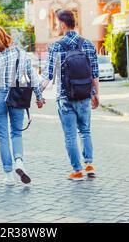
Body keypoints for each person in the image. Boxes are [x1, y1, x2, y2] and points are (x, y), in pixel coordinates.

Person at [0, 25, 44, 186]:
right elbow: (33, 77)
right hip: (17, 95)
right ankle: (19, 162)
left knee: (3, 137)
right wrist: (39, 96)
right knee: (16, 133)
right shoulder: (22, 54)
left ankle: (8, 175)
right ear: (5, 35)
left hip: (0, 96)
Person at [41, 10, 100, 180]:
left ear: (62, 24)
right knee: (85, 131)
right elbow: (94, 74)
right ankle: (89, 165)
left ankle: (77, 170)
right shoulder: (88, 45)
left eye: (56, 23)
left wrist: (38, 92)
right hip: (85, 95)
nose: (55, 26)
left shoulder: (56, 47)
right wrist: (96, 95)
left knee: (70, 136)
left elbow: (48, 75)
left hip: (65, 98)